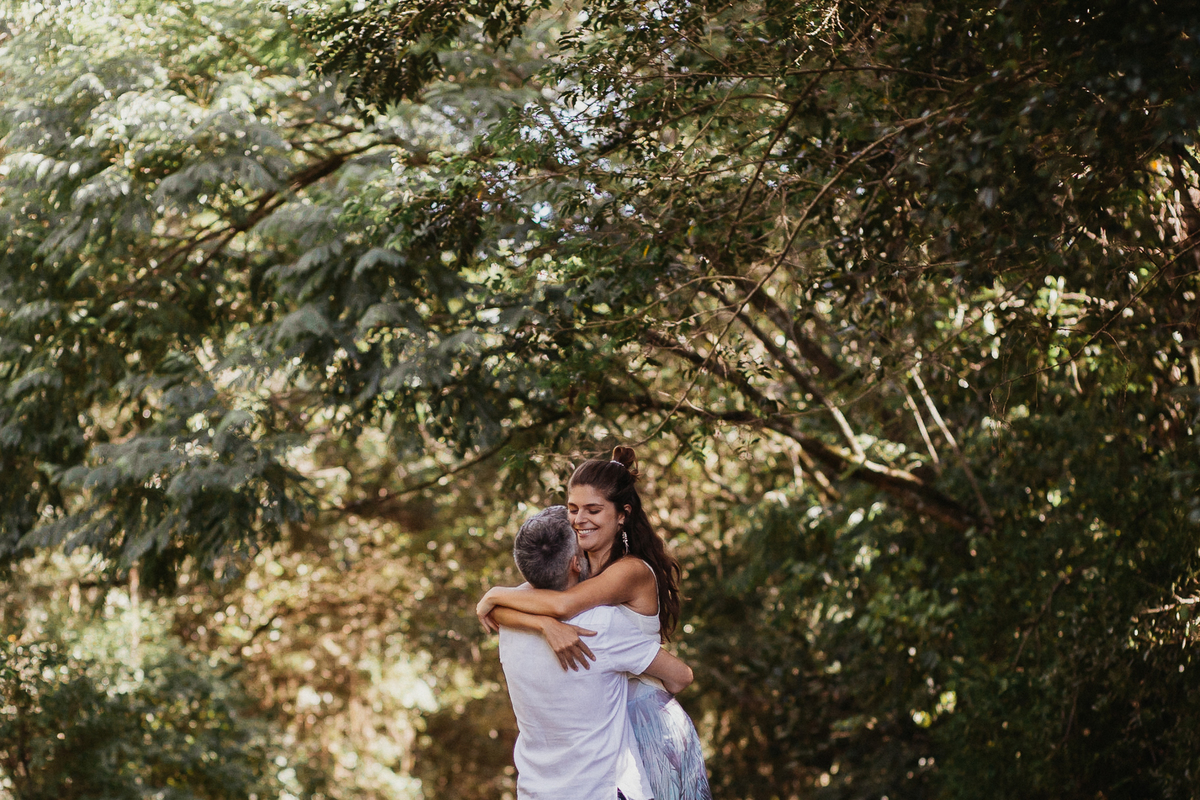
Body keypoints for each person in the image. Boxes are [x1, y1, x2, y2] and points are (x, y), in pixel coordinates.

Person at [479, 446, 713, 800]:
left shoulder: (629, 571)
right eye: (573, 509)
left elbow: (561, 605)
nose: (579, 519)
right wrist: (542, 626)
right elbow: (501, 614)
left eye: (593, 509)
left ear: (622, 515)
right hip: (604, 719)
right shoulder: (578, 564)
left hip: (642, 720)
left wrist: (496, 593)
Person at [498, 505, 694, 800]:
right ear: (575, 563)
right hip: (602, 790)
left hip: (536, 792)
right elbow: (681, 677)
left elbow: (509, 602)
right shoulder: (601, 624)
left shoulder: (508, 625)